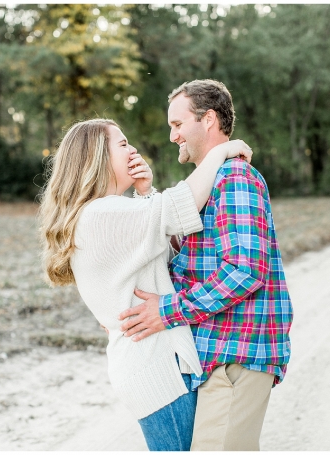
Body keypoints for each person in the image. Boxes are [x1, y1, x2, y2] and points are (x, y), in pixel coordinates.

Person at [38, 118, 252, 451]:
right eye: (122, 144)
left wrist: (145, 192)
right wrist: (221, 151)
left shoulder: (104, 214)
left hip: (149, 365)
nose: (133, 149)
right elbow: (180, 207)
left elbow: (160, 251)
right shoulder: (102, 214)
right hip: (156, 367)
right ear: (97, 157)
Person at [118, 79, 294, 451]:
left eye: (177, 124)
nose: (172, 136)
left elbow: (245, 270)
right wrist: (147, 195)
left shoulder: (234, 178)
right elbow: (190, 256)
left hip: (239, 352)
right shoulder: (214, 180)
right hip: (222, 352)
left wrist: (166, 311)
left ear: (208, 119)